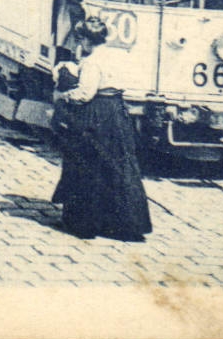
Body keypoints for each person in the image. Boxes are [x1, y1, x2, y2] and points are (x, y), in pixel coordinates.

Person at [50, 17, 153, 242]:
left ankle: (82, 223)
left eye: (81, 40)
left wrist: (63, 96)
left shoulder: (92, 62)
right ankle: (124, 223)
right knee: (118, 166)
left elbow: (85, 93)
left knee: (85, 165)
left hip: (97, 114)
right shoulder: (116, 54)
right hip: (117, 111)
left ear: (86, 40)